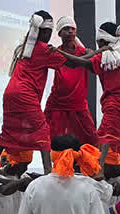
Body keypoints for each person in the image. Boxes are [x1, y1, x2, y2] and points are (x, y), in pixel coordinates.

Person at [0, 11, 104, 177]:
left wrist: (90, 54)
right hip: (28, 95)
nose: (49, 36)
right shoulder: (45, 49)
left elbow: (88, 65)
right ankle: (48, 172)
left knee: (7, 131)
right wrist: (98, 52)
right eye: (49, 31)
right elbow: (72, 63)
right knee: (43, 132)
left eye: (72, 28)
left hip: (11, 94)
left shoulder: (26, 46)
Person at [44, 16, 98, 147]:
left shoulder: (85, 52)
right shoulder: (54, 52)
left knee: (91, 141)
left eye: (73, 29)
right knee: (49, 140)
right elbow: (72, 63)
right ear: (59, 33)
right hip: (58, 104)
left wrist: (95, 52)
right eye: (66, 28)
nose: (70, 31)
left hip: (78, 104)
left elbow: (92, 64)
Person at [92, 21, 120, 157]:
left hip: (115, 101)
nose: (98, 44)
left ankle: (99, 167)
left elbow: (82, 62)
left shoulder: (106, 57)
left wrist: (62, 55)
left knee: (105, 135)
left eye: (99, 42)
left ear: (103, 41)